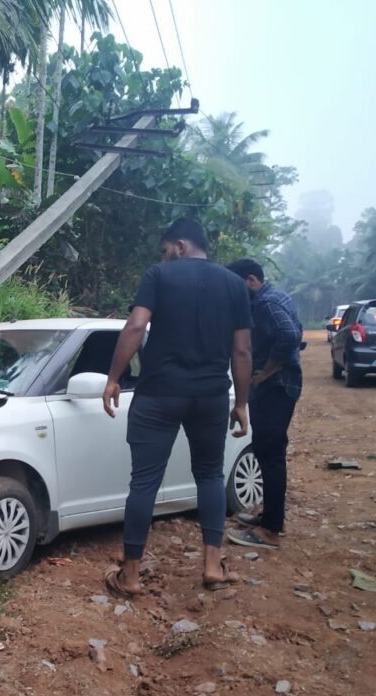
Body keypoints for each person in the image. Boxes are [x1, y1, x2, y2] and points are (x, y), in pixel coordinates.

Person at [101, 218, 252, 596]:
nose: (164, 257)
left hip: (158, 394)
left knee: (145, 482)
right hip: (211, 396)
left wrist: (114, 377)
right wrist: (243, 402)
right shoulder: (235, 285)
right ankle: (213, 566)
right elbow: (243, 350)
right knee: (210, 475)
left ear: (181, 246)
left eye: (166, 250)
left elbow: (135, 327)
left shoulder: (159, 276)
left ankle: (131, 576)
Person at [225, 259, 303, 550]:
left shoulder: (266, 303)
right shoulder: (277, 296)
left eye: (236, 288)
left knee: (270, 453)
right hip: (280, 386)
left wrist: (266, 372)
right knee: (265, 449)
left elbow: (290, 336)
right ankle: (267, 514)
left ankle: (270, 530)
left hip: (276, 387)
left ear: (250, 281)